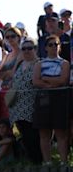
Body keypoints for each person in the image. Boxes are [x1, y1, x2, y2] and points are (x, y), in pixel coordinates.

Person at [32, 35, 70, 165]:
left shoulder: (64, 63)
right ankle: (47, 161)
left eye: (56, 44)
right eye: (51, 44)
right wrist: (51, 83)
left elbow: (63, 80)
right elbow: (36, 81)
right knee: (44, 132)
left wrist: (46, 79)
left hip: (60, 98)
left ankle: (63, 161)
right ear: (46, 48)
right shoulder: (39, 63)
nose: (54, 47)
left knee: (61, 132)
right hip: (43, 98)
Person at [8, 37, 42, 164]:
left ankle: (38, 160)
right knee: (24, 135)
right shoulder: (20, 64)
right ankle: (30, 159)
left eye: (30, 48)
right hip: (17, 107)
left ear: (35, 49)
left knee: (33, 135)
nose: (27, 51)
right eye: (24, 49)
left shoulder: (39, 63)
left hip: (32, 106)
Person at [0, 26, 22, 117]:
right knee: (5, 120)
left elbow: (14, 73)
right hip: (4, 90)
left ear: (18, 37)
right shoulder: (7, 56)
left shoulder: (23, 53)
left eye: (13, 36)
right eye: (7, 37)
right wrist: (7, 73)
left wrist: (7, 73)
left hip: (17, 91)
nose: (10, 39)